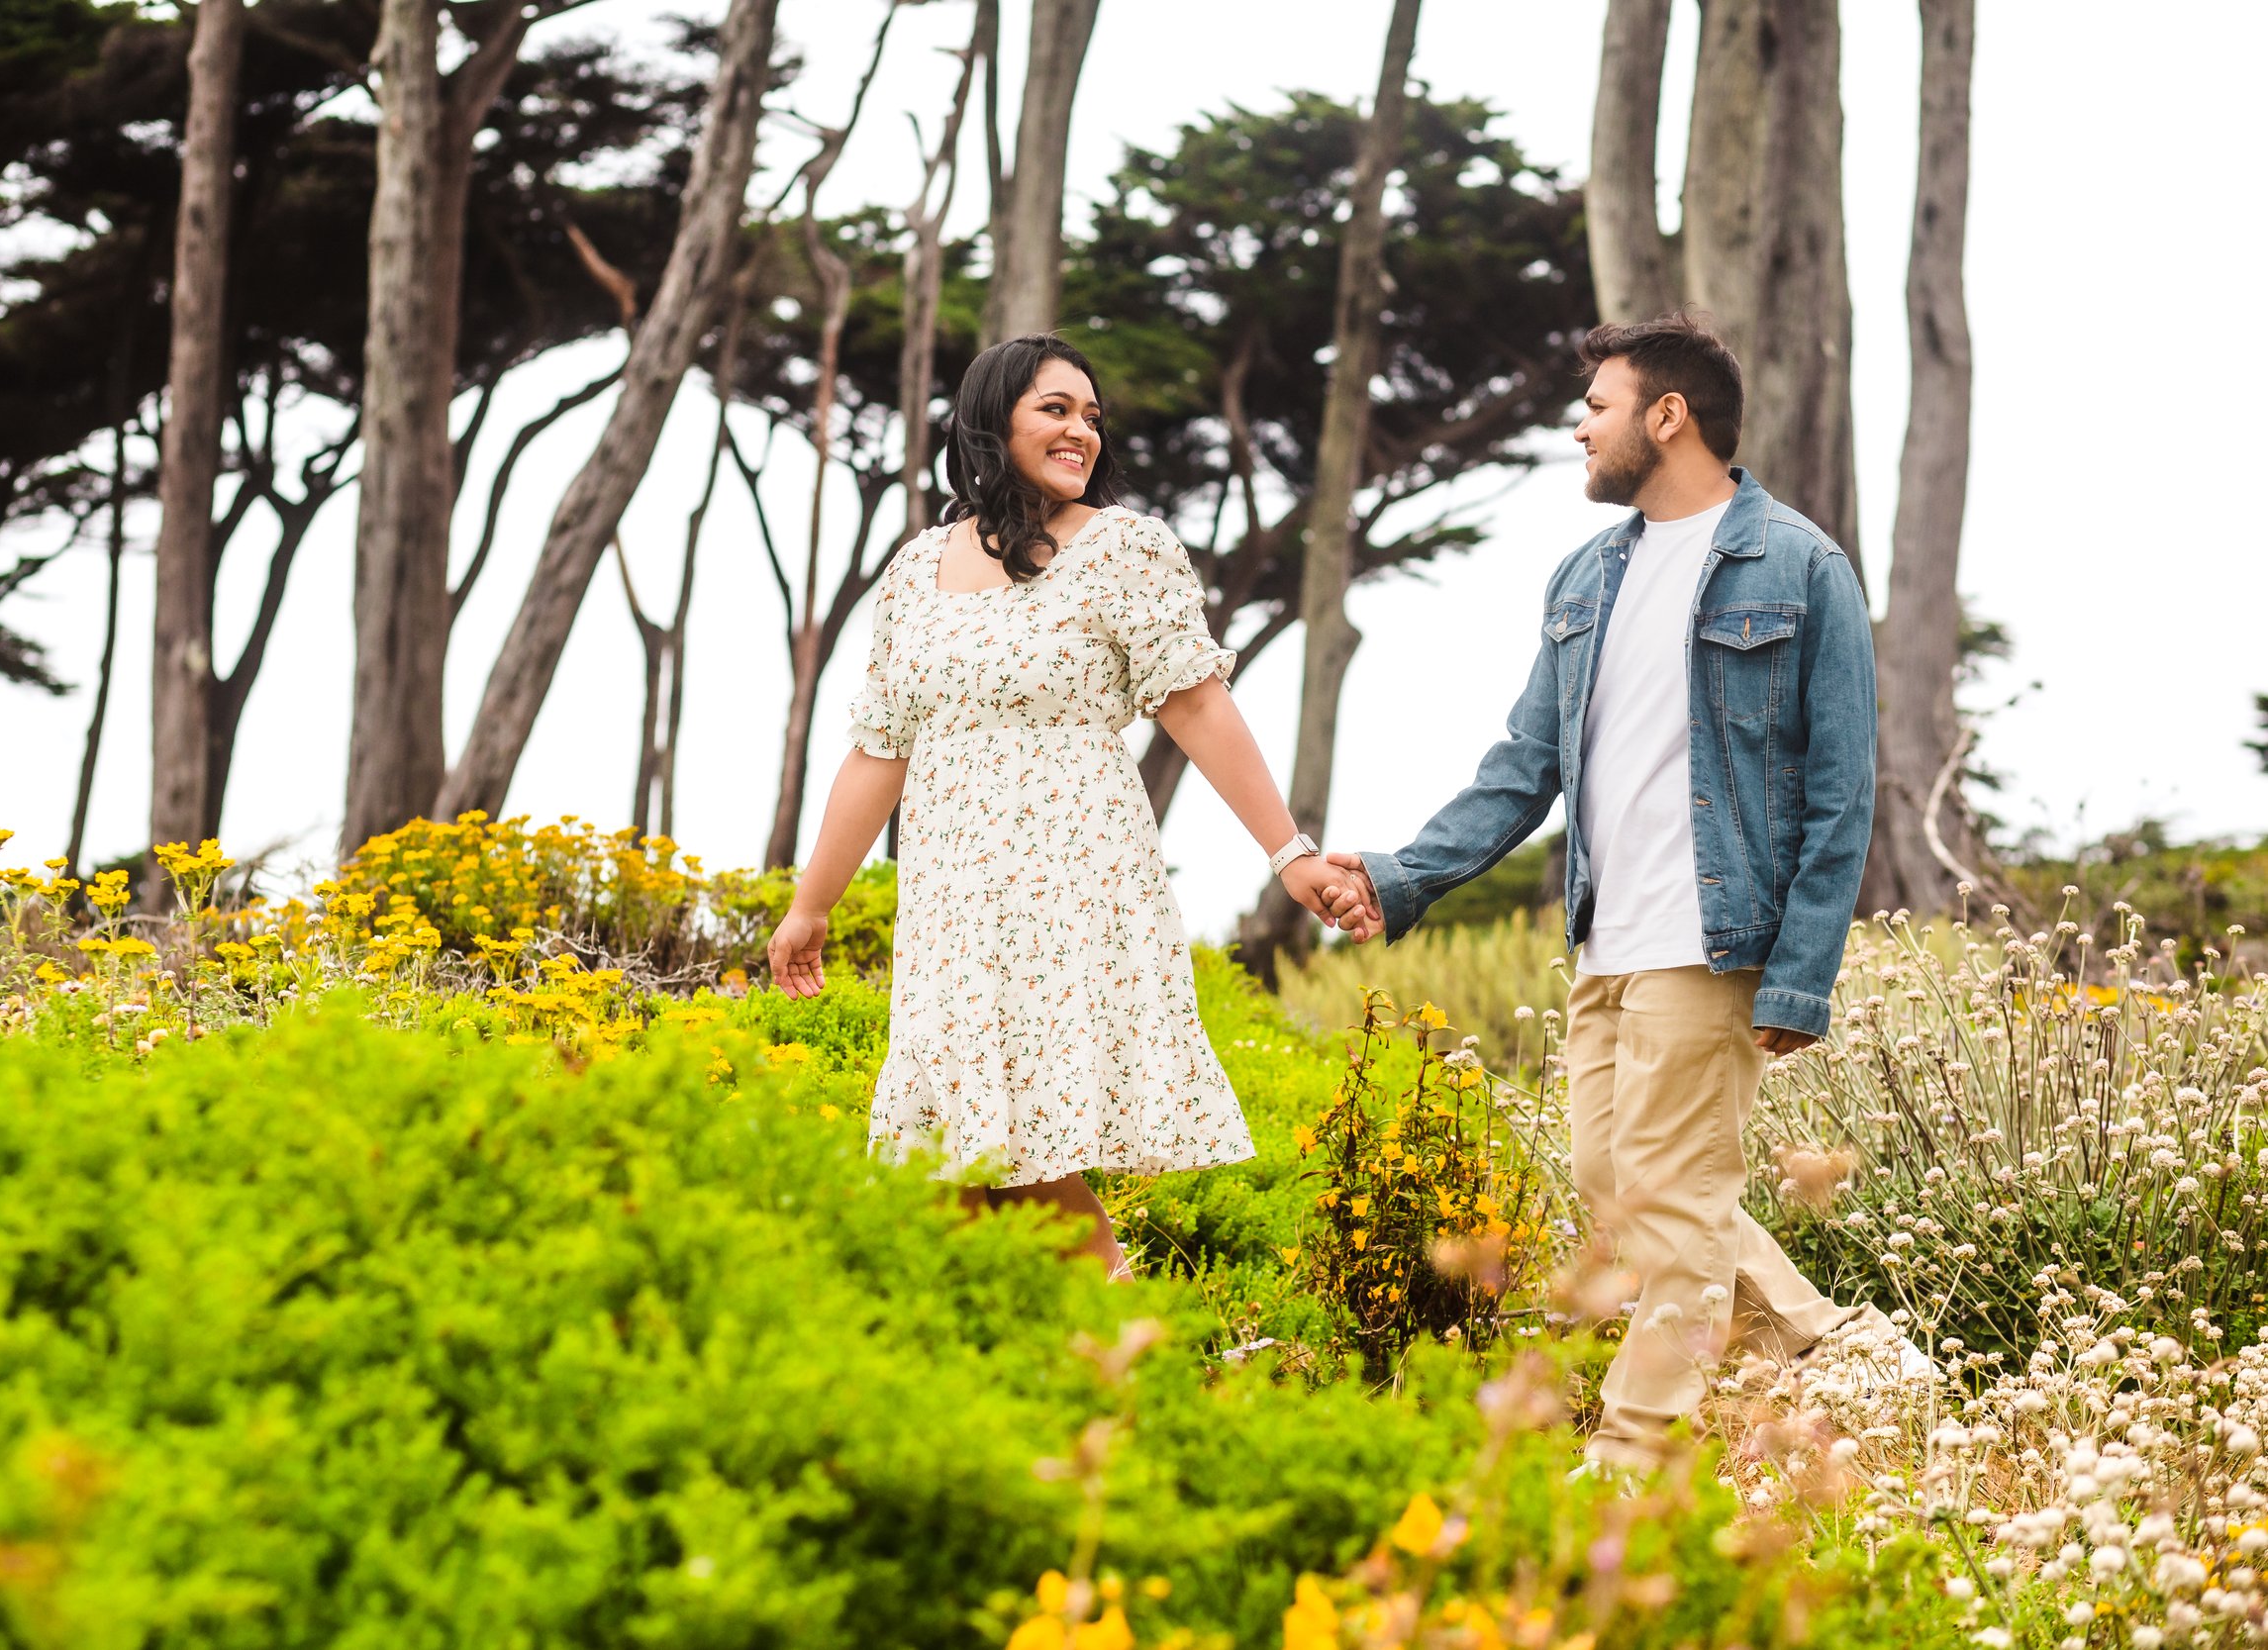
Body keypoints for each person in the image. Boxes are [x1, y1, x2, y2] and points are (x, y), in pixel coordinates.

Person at [1322, 312, 1925, 1471]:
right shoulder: (1587, 575)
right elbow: (1522, 767)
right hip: (1606, 939)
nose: (1578, 427)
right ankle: (1838, 1347)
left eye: (1595, 407)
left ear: (1667, 415)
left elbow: (1844, 792)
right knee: (1622, 1189)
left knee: (1677, 1200)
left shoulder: (1798, 565)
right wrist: (1401, 877)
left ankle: (1631, 1464)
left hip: (1716, 935)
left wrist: (1801, 970)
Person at [768, 335, 1356, 1278]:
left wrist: (1290, 853)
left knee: (1011, 1151)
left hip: (1072, 883)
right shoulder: (917, 569)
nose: (1082, 429)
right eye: (1056, 408)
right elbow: (879, 751)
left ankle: (1127, 1365)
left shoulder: (1125, 547)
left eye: (1091, 414)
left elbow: (1198, 704)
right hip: (951, 902)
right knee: (954, 1165)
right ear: (992, 418)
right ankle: (1076, 1376)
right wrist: (812, 903)